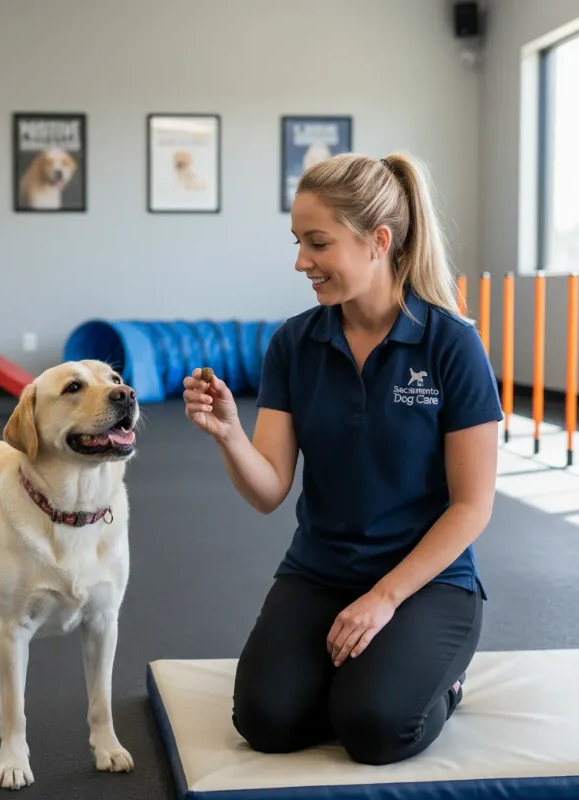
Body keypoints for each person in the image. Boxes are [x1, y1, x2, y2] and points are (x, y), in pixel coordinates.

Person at [182, 151, 503, 766]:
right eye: (299, 241)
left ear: (377, 241)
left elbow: (472, 505)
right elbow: (270, 488)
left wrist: (384, 597)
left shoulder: (451, 344)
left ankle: (444, 683)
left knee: (375, 728)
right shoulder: (295, 344)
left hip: (425, 582)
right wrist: (229, 434)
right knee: (266, 720)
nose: (301, 261)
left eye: (317, 243)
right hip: (321, 572)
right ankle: (363, 673)